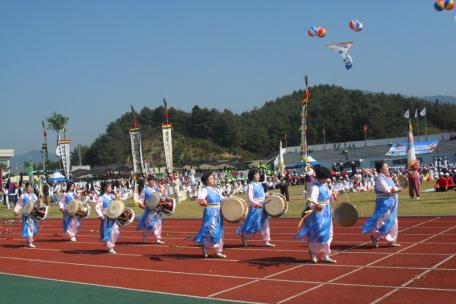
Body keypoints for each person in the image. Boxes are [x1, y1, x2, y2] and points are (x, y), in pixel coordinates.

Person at [296, 166, 337, 264]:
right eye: (326, 177)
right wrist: (316, 205)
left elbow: (329, 198)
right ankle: (313, 253)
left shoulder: (325, 185)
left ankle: (326, 255)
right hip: (318, 213)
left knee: (328, 233)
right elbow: (311, 202)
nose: (328, 178)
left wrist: (335, 195)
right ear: (322, 177)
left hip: (327, 211)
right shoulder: (314, 187)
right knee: (317, 233)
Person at [362, 160, 402, 248]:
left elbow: (393, 188)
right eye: (386, 167)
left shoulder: (388, 178)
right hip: (384, 203)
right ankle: (375, 237)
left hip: (392, 202)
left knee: (393, 221)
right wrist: (397, 189)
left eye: (388, 167)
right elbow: (387, 190)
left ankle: (391, 240)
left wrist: (398, 188)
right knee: (382, 221)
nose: (388, 169)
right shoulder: (380, 179)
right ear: (381, 169)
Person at [237, 168, 275, 248]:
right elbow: (250, 198)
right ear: (252, 175)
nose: (258, 175)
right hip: (256, 207)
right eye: (256, 174)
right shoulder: (250, 185)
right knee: (253, 224)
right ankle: (245, 235)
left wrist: (268, 194)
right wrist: (256, 204)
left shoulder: (260, 184)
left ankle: (266, 241)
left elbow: (262, 195)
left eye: (258, 174)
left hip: (263, 207)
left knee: (265, 224)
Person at [194, 172, 226, 258]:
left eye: (213, 178)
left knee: (219, 230)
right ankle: (205, 248)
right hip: (210, 212)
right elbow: (200, 198)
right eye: (211, 178)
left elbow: (222, 199)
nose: (213, 180)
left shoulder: (217, 190)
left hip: (219, 212)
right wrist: (202, 201)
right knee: (209, 230)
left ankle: (218, 251)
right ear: (206, 181)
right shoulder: (205, 190)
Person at [136, 175, 165, 244]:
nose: (152, 182)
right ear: (148, 181)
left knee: (158, 224)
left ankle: (158, 238)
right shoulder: (145, 190)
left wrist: (161, 189)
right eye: (151, 180)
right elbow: (140, 200)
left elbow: (162, 196)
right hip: (149, 211)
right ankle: (145, 236)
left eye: (153, 180)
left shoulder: (156, 189)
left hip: (157, 210)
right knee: (151, 225)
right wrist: (143, 206)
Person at [95, 182, 119, 254]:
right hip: (107, 218)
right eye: (109, 187)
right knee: (109, 231)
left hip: (113, 217)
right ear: (105, 188)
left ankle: (109, 244)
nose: (111, 188)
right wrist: (101, 215)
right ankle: (110, 247)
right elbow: (98, 207)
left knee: (116, 231)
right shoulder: (101, 198)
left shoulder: (112, 196)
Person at [14, 182, 39, 248]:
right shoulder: (23, 196)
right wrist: (16, 211)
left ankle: (28, 241)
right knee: (28, 228)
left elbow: (37, 203)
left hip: (33, 215)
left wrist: (39, 201)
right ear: (26, 188)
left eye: (31, 187)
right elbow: (19, 204)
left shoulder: (34, 195)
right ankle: (30, 242)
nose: (30, 188)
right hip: (26, 215)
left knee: (33, 228)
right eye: (28, 187)